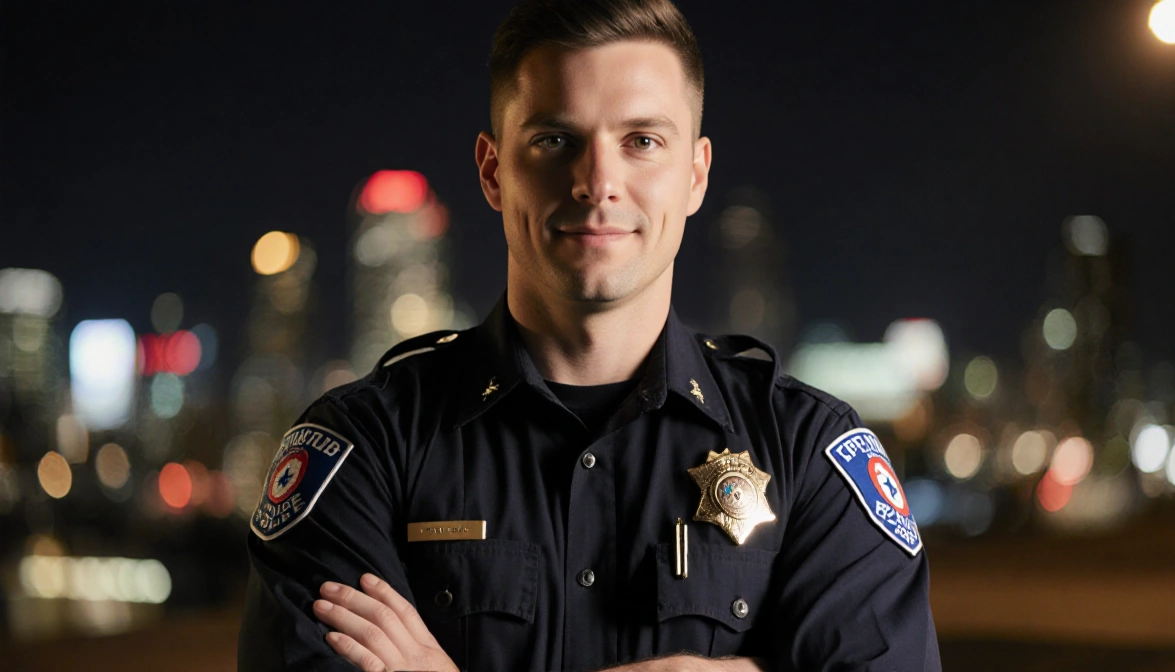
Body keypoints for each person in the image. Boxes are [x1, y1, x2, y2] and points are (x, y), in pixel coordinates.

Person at [237, 0, 941, 670]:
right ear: (492, 171)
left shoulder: (808, 457)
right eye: (554, 140)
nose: (597, 180)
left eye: (641, 141)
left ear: (694, 175)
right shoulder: (365, 451)